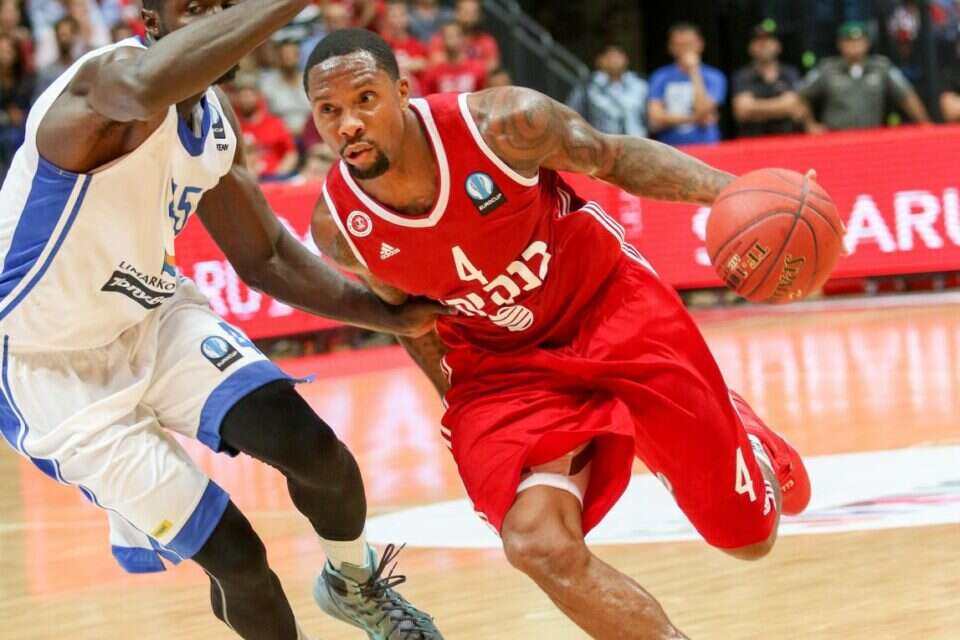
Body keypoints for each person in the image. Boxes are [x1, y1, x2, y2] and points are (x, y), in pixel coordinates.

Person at [306, 28, 812, 639]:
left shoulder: (504, 124)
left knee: (747, 538)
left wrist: (729, 192)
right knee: (535, 542)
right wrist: (459, 408)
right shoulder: (341, 229)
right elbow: (413, 322)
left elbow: (613, 156)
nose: (348, 124)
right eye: (328, 110)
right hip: (502, 365)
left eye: (364, 99)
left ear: (403, 93)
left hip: (608, 308)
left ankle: (743, 430)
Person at [0, 3, 444, 639]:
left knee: (317, 452)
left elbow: (265, 256)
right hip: (49, 364)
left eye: (222, 5)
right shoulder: (107, 81)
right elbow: (144, 86)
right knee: (238, 558)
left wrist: (387, 315)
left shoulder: (215, 121)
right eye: (195, 8)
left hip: (151, 317)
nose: (216, 18)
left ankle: (354, 584)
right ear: (151, 21)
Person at [798, 21, 929, 132]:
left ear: (867, 43)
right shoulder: (827, 68)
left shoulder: (881, 66)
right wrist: (810, 125)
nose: (854, 45)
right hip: (835, 137)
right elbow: (800, 96)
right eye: (849, 41)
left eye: (858, 40)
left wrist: (926, 126)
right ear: (840, 44)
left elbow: (907, 96)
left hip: (870, 137)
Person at [647, 22, 727, 145]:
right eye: (680, 45)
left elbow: (703, 109)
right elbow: (655, 117)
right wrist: (695, 118)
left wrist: (694, 71)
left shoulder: (714, 76)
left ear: (700, 44)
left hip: (706, 145)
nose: (685, 50)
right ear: (671, 47)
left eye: (689, 44)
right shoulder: (660, 76)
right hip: (671, 147)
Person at [732, 24, 803, 137]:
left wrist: (754, 108)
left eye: (768, 40)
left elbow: (795, 107)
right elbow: (742, 111)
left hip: (787, 140)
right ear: (750, 47)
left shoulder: (789, 73)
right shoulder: (742, 76)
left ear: (778, 46)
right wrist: (782, 106)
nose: (763, 45)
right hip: (752, 142)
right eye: (758, 41)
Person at [566, 43, 648, 136]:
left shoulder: (640, 85)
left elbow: (649, 118)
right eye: (610, 56)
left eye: (618, 55)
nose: (614, 60)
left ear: (626, 59)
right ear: (599, 61)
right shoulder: (588, 86)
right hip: (601, 142)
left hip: (637, 141)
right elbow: (571, 115)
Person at [259, 37, 313, 136]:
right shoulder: (267, 84)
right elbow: (264, 116)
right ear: (278, 57)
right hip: (280, 135)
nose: (288, 58)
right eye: (285, 54)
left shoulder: (310, 81)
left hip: (310, 136)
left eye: (292, 54)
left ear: (299, 56)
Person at [427, 0, 499, 72]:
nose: (470, 17)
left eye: (474, 13)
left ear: (479, 15)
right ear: (456, 13)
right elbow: (435, 61)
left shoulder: (486, 40)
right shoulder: (441, 37)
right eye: (466, 12)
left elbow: (492, 64)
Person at [421, 21, 486, 94]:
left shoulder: (477, 68)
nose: (452, 40)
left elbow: (483, 95)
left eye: (456, 36)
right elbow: (428, 97)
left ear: (463, 39)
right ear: (442, 40)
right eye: (448, 36)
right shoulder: (434, 71)